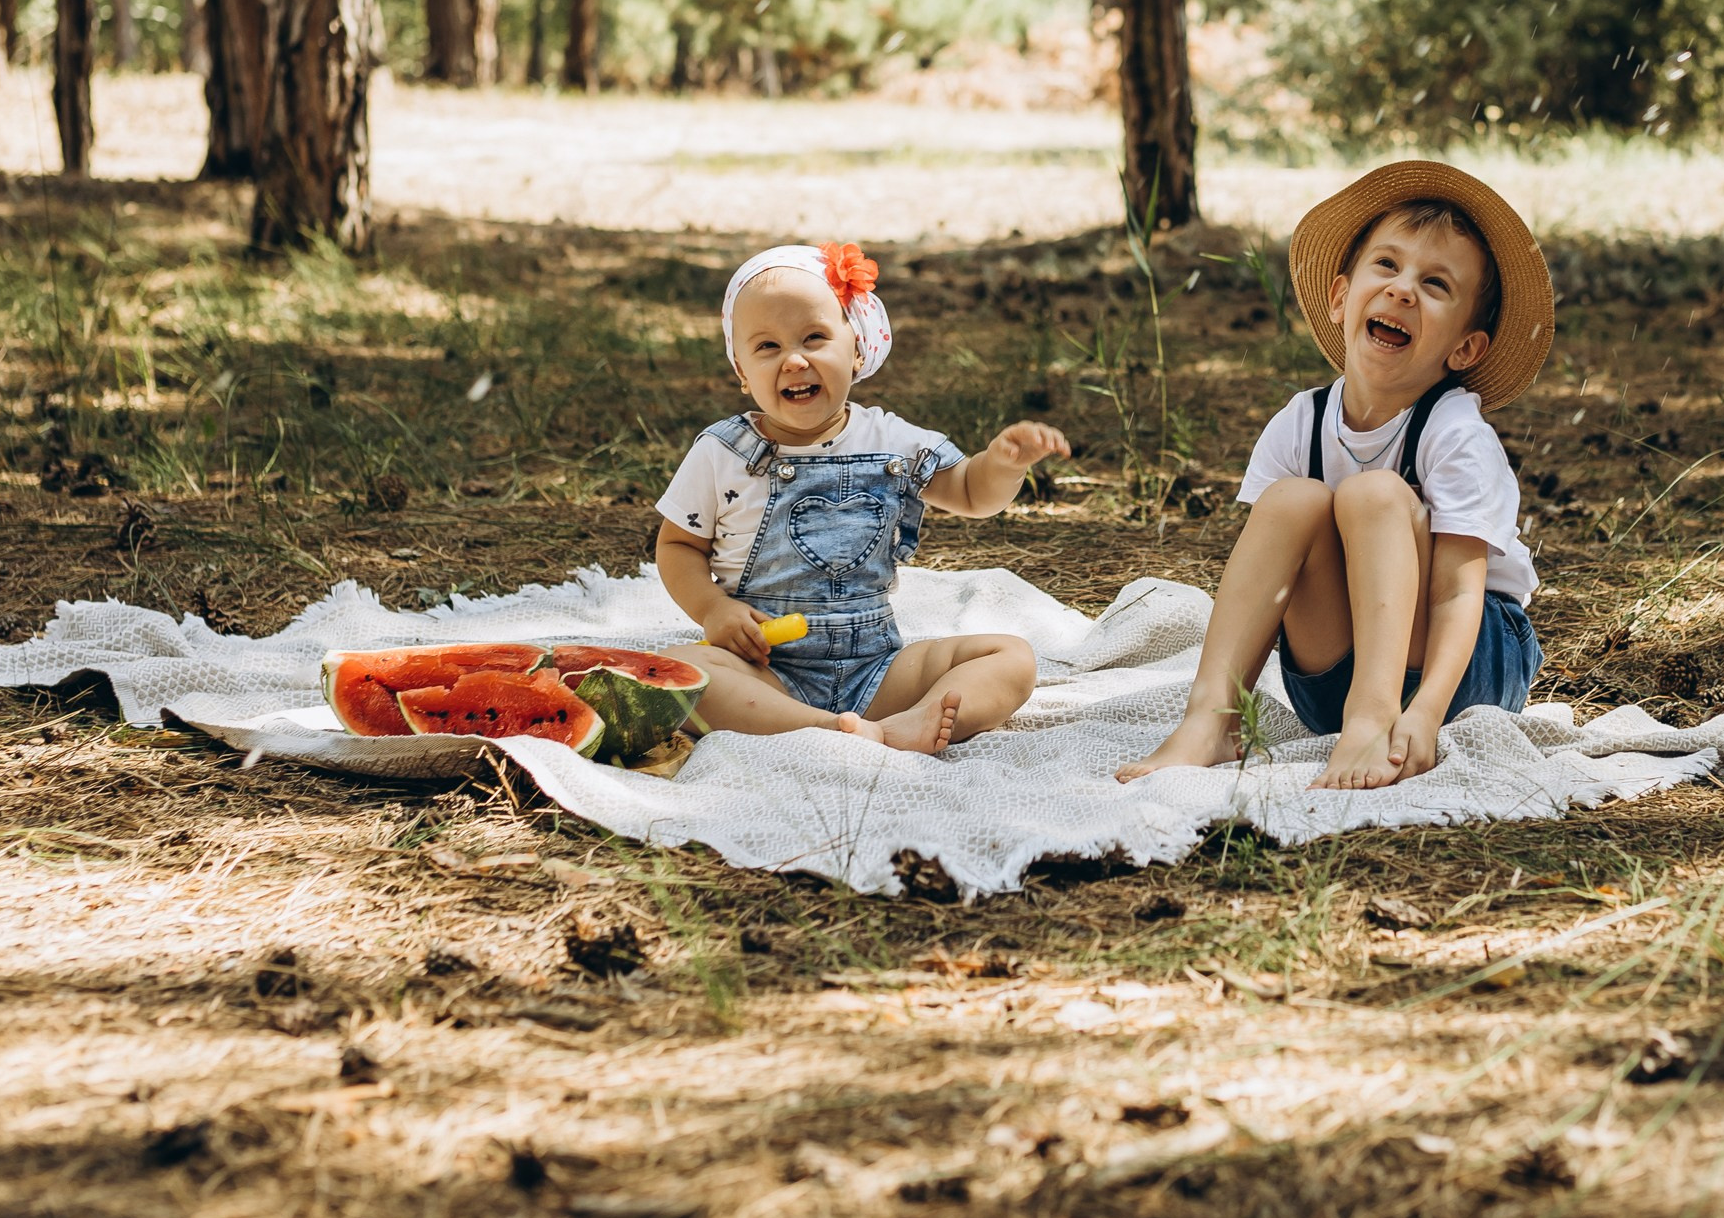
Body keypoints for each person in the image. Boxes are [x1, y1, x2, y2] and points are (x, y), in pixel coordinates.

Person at [1118, 160, 1552, 790]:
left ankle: (1376, 718)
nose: (1403, 290)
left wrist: (1426, 716)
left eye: (1435, 284)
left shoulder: (1455, 433)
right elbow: (1268, 583)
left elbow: (1461, 592)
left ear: (1464, 348)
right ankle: (1212, 720)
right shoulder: (1301, 423)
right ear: (1341, 297)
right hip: (1332, 686)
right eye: (1387, 266)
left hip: (1465, 671)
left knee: (1375, 494)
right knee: (1293, 501)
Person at [654, 242, 1069, 754]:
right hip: (766, 670)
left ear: (856, 349)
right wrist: (714, 609)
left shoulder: (891, 441)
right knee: (681, 672)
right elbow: (677, 548)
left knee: (1011, 656)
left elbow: (969, 492)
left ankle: (915, 720)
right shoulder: (722, 452)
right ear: (740, 371)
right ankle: (830, 731)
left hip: (877, 670)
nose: (795, 359)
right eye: (767, 347)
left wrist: (1003, 464)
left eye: (814, 337)